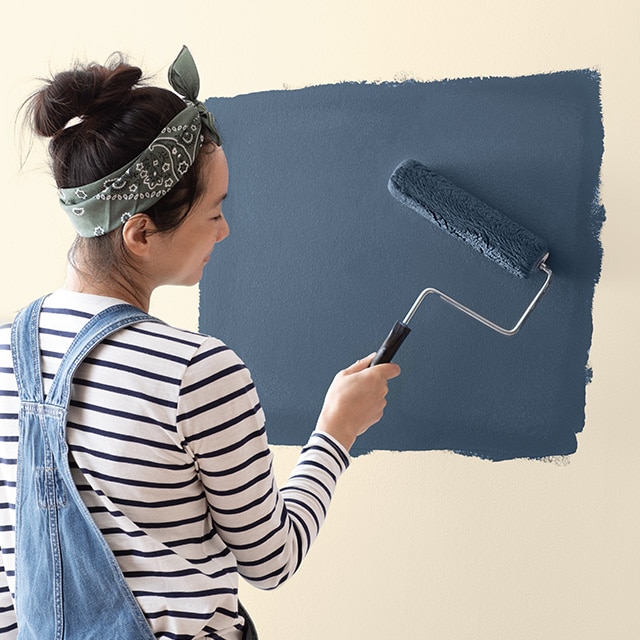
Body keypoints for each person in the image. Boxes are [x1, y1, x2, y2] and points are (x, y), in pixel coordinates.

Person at [0, 46, 400, 639]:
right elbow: (270, 560)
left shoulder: (5, 353)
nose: (225, 229)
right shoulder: (195, 371)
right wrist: (337, 432)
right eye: (213, 212)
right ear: (140, 232)